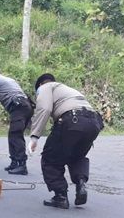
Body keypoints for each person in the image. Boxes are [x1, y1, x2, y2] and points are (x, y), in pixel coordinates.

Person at [28, 73, 103, 209]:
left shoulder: (45, 87)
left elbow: (44, 109)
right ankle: (81, 183)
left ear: (40, 85)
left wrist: (34, 137)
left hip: (72, 120)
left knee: (50, 158)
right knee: (77, 156)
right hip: (93, 122)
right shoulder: (67, 89)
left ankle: (60, 196)